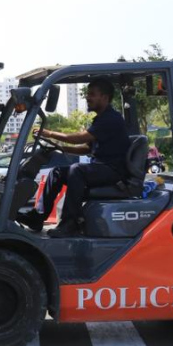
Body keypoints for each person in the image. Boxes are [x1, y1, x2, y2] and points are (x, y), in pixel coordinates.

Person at [31, 77, 130, 238]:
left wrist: (49, 133)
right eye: (88, 94)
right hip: (100, 167)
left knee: (77, 170)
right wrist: (61, 149)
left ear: (104, 97)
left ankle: (70, 223)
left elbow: (80, 138)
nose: (88, 98)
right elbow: (87, 148)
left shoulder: (111, 119)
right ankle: (37, 217)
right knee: (57, 172)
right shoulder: (100, 119)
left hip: (113, 170)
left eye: (92, 94)